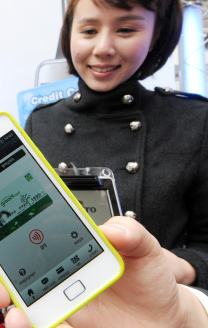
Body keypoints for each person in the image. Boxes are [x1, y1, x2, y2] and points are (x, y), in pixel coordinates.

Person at [23, 0, 208, 288]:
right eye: (88, 30)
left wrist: (184, 268)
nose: (103, 48)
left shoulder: (194, 121)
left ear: (156, 34)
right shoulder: (40, 124)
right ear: (69, 32)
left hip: (159, 308)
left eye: (125, 29)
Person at [0, 216, 208, 327]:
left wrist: (186, 309)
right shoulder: (38, 123)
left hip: (142, 286)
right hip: (58, 283)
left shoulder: (196, 126)